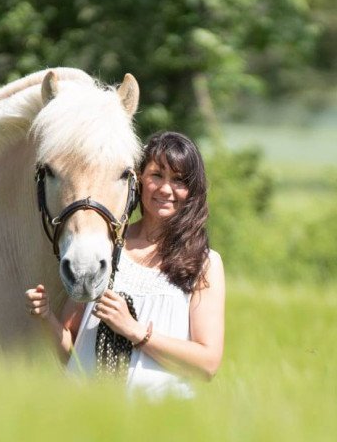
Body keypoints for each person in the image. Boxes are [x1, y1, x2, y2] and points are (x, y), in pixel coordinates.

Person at [25, 131, 225, 398]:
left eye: (178, 180)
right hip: (85, 412)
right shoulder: (106, 246)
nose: (165, 189)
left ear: (192, 191)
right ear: (139, 179)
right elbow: (69, 352)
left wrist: (134, 331)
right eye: (157, 175)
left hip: (161, 418)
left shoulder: (204, 263)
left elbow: (207, 365)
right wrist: (45, 316)